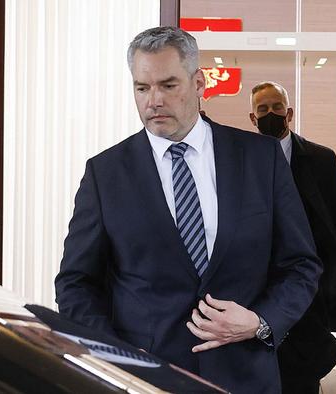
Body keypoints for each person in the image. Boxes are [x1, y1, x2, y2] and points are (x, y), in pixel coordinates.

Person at [55, 27, 322, 394]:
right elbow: (75, 284)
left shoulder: (261, 158)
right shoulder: (105, 173)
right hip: (145, 381)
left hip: (246, 376)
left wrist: (260, 322)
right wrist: (115, 357)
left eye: (168, 85)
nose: (154, 101)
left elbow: (301, 264)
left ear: (199, 83)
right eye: (142, 88)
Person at [248, 81, 336, 393]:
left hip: (309, 284)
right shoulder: (243, 162)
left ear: (290, 112)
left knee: (303, 371)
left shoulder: (321, 159)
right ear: (253, 118)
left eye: (277, 107)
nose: (271, 114)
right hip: (257, 288)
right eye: (262, 109)